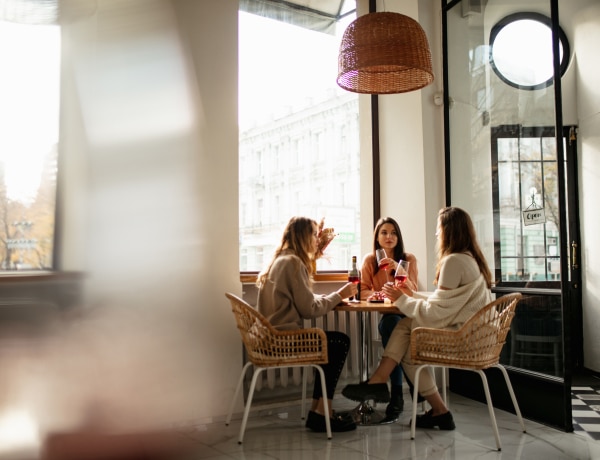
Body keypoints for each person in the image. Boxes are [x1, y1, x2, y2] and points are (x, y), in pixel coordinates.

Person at [343, 207, 494, 431]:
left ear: (448, 231)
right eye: (383, 232)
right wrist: (407, 296)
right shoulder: (470, 259)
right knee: (404, 328)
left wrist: (400, 298)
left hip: (465, 339)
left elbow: (435, 312)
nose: (436, 235)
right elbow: (444, 302)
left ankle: (382, 382)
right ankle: (432, 408)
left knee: (406, 336)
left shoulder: (452, 262)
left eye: (438, 229)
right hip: (478, 334)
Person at [256, 216, 358, 433]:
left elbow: (306, 303)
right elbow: (309, 309)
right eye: (313, 234)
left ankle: (318, 412)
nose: (317, 238)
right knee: (339, 341)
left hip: (269, 337)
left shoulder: (280, 260)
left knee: (330, 343)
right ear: (303, 236)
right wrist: (340, 295)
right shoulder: (293, 263)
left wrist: (334, 296)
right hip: (284, 339)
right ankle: (324, 413)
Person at [360, 217, 418, 422]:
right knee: (392, 325)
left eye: (393, 232)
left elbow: (414, 292)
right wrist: (379, 295)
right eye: (384, 232)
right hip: (389, 316)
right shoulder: (369, 261)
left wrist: (397, 268)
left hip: (408, 315)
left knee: (394, 327)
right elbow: (363, 290)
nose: (389, 236)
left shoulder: (408, 258)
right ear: (377, 237)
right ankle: (409, 388)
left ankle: (396, 396)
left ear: (398, 236)